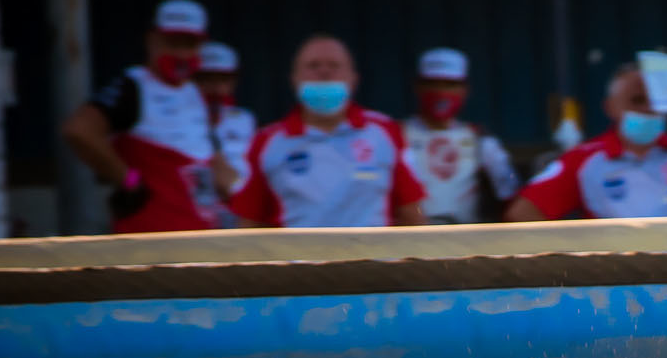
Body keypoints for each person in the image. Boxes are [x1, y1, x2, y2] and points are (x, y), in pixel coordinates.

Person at [506, 61, 667, 220]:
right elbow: (522, 214)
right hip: (620, 286)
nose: (648, 109)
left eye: (655, 101)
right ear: (610, 108)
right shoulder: (584, 161)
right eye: (637, 101)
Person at [59, 0, 220, 234]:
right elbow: (79, 130)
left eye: (190, 44)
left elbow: (212, 159)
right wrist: (128, 180)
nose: (183, 54)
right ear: (152, 40)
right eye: (173, 43)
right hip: (153, 236)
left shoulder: (193, 91)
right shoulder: (134, 85)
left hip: (200, 232)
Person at [229, 35, 426, 228]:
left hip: (373, 260)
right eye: (313, 66)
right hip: (299, 260)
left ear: (353, 78)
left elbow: (411, 212)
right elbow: (249, 223)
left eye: (334, 65)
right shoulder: (266, 142)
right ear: (294, 79)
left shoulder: (386, 132)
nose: (324, 72)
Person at [403, 47, 521, 224]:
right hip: (409, 241)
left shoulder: (480, 139)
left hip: (466, 242)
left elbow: (509, 192)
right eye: (433, 83)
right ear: (418, 86)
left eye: (450, 84)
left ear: (465, 89)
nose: (441, 92)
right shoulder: (396, 135)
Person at [193, 40, 256, 225]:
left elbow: (239, 182)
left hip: (236, 216)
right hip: (191, 216)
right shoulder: (177, 119)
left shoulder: (243, 119)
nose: (216, 88)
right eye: (207, 79)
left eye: (223, 79)